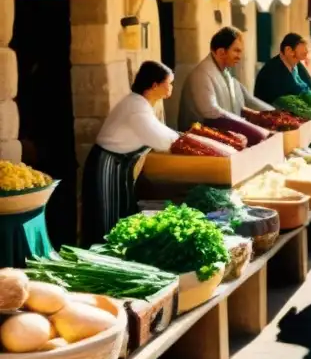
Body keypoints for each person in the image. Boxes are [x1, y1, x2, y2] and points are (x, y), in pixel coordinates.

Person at [82, 61, 179, 246]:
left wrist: (181, 138)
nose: (171, 87)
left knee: (120, 215)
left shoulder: (140, 104)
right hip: (107, 166)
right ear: (154, 85)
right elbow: (159, 139)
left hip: (118, 167)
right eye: (169, 83)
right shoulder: (136, 107)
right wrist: (182, 141)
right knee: (107, 219)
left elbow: (161, 131)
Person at [178, 26, 274, 130]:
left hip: (227, 136)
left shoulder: (226, 73)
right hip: (200, 140)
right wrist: (247, 126)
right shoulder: (201, 75)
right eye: (236, 51)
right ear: (221, 52)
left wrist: (277, 115)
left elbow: (248, 100)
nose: (239, 56)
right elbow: (211, 111)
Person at [253, 33, 311, 104]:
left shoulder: (295, 64)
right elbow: (293, 96)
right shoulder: (272, 71)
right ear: (288, 50)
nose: (307, 51)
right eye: (303, 50)